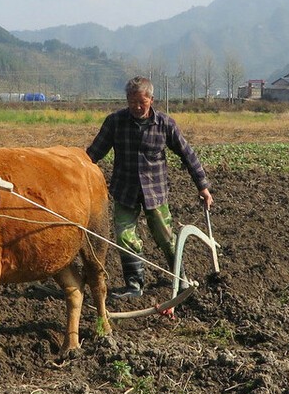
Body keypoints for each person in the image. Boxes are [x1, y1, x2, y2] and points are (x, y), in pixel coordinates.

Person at [86, 76, 214, 299]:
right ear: (126, 99)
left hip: (155, 193)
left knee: (166, 238)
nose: (136, 107)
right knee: (125, 236)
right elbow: (93, 154)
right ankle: (134, 286)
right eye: (132, 101)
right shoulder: (115, 122)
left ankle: (181, 279)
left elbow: (187, 155)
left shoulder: (165, 124)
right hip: (124, 191)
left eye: (141, 103)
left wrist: (202, 186)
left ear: (151, 100)